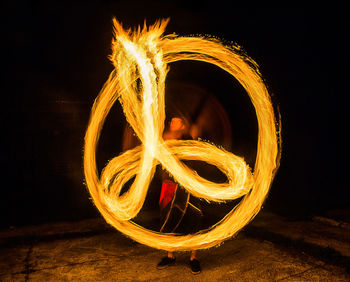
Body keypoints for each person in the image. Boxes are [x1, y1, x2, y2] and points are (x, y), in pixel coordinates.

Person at [157, 116, 202, 275]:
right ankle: (170, 255)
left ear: (183, 125)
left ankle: (193, 258)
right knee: (168, 218)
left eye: (176, 121)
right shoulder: (162, 139)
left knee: (193, 217)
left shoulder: (186, 140)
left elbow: (193, 157)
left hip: (186, 185)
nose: (172, 122)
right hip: (169, 185)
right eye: (171, 121)